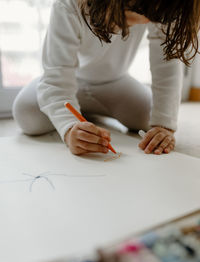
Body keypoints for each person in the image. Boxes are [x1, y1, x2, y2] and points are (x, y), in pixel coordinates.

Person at [13, 0, 200, 155]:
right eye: (130, 17)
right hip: (71, 80)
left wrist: (164, 126)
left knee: (150, 119)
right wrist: (69, 128)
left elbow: (166, 63)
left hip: (115, 82)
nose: (141, 22)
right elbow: (57, 74)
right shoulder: (68, 4)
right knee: (26, 115)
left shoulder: (158, 5)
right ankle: (81, 113)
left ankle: (88, 113)